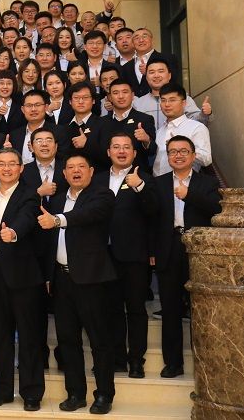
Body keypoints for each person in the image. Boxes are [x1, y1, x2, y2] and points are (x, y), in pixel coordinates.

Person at [37, 155, 117, 415]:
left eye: (81, 167)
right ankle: (75, 393)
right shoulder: (57, 199)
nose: (76, 171)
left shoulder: (101, 195)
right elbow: (49, 241)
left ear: (91, 171)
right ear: (64, 173)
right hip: (62, 279)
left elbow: (86, 215)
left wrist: (58, 220)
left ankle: (104, 394)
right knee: (67, 339)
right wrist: (48, 275)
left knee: (99, 340)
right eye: (70, 168)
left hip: (91, 279)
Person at [0, 148, 47, 411]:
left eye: (12, 164)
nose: (6, 168)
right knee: (0, 335)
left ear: (21, 168)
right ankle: (2, 391)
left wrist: (13, 233)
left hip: (24, 274)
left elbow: (26, 219)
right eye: (1, 164)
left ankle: (31, 392)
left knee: (29, 335)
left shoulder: (30, 194)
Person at [152, 135, 221, 378]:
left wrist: (189, 194)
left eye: (183, 151)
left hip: (197, 249)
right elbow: (151, 219)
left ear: (193, 156)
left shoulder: (208, 183)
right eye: (173, 151)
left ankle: (206, 364)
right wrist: (152, 251)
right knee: (170, 308)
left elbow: (217, 209)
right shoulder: (159, 183)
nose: (178, 155)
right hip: (169, 247)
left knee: (200, 308)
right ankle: (173, 363)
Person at [94, 134, 156, 379]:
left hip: (133, 255)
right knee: (110, 309)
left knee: (136, 309)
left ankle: (136, 360)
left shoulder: (145, 178)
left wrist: (139, 187)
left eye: (126, 147)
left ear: (134, 152)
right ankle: (117, 358)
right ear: (108, 152)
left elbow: (154, 211)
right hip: (103, 255)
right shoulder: (97, 179)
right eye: (116, 147)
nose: (121, 151)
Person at [153, 83, 212, 176]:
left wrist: (183, 148)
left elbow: (206, 160)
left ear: (184, 103)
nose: (167, 104)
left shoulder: (196, 128)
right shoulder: (160, 131)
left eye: (172, 100)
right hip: (158, 182)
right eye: (163, 100)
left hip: (185, 182)